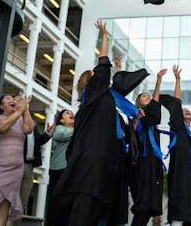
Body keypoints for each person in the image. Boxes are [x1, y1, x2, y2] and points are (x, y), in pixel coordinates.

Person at [53, 20, 128, 226]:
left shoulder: (98, 99)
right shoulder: (94, 94)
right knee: (83, 211)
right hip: (92, 163)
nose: (101, 76)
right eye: (96, 75)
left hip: (98, 161)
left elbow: (117, 88)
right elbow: (103, 63)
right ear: (92, 81)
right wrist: (104, 35)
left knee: (94, 211)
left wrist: (119, 67)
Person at [162, 65, 191, 226]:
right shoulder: (178, 128)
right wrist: (178, 80)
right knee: (179, 213)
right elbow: (176, 104)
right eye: (183, 111)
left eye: (188, 111)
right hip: (180, 173)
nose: (186, 111)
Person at [130, 68, 167, 226]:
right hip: (142, 162)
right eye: (144, 96)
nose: (148, 97)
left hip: (153, 163)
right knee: (143, 203)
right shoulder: (136, 114)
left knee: (149, 205)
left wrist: (159, 80)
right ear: (139, 102)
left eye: (148, 95)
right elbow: (134, 134)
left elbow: (156, 103)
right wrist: (137, 120)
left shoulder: (151, 117)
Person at [0, 94, 33, 225]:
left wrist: (25, 108)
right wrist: (19, 110)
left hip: (15, 171)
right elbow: (2, 127)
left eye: (13, 99)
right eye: (7, 99)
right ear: (0, 106)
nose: (12, 100)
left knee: (5, 204)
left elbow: (29, 129)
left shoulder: (20, 119)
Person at [14, 119, 55, 222]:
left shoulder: (33, 128)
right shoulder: (17, 125)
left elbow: (39, 141)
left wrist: (48, 133)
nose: (32, 120)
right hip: (17, 163)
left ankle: (16, 222)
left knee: (23, 201)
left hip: (29, 166)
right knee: (10, 197)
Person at [45, 109, 74, 226]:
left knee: (68, 207)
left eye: (72, 113)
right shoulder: (59, 129)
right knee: (56, 205)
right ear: (62, 120)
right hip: (59, 171)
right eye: (67, 113)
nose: (71, 114)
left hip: (72, 172)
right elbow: (65, 135)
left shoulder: (77, 130)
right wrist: (80, 126)